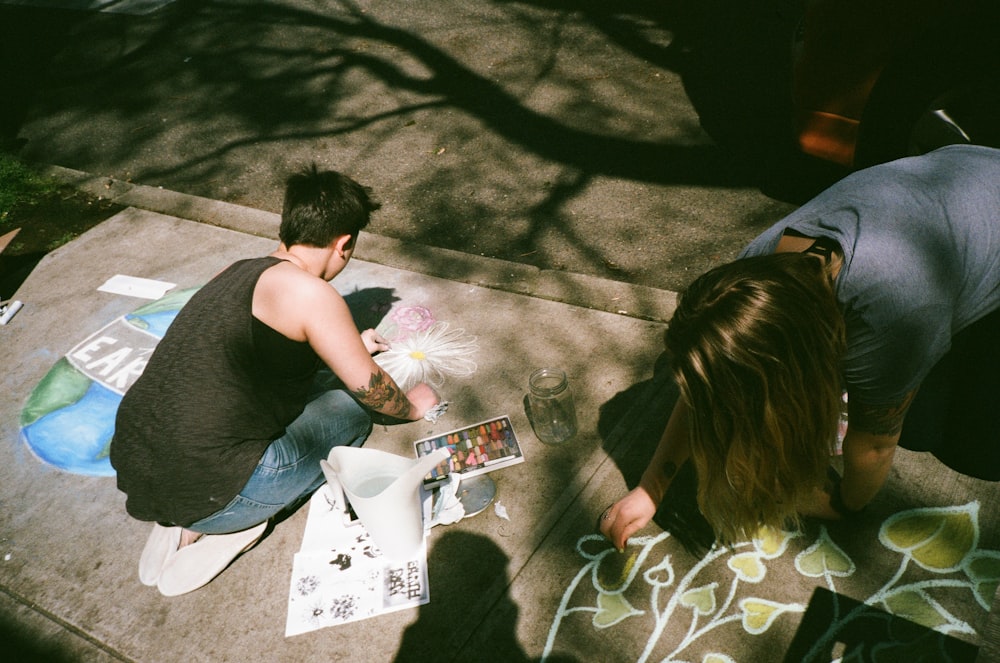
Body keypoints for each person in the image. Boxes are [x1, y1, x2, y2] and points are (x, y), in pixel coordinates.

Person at [600, 144, 1000, 549]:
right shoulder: (753, 274)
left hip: (980, 197)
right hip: (960, 187)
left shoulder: (894, 312)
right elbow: (710, 382)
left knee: (970, 449)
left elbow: (877, 444)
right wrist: (651, 487)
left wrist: (841, 504)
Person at [110, 165, 439, 596]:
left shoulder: (236, 271)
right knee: (349, 411)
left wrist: (349, 341)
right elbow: (369, 388)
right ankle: (229, 527)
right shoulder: (311, 293)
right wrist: (415, 406)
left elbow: (262, 347)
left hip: (141, 471)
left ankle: (181, 522)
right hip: (220, 490)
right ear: (343, 244)